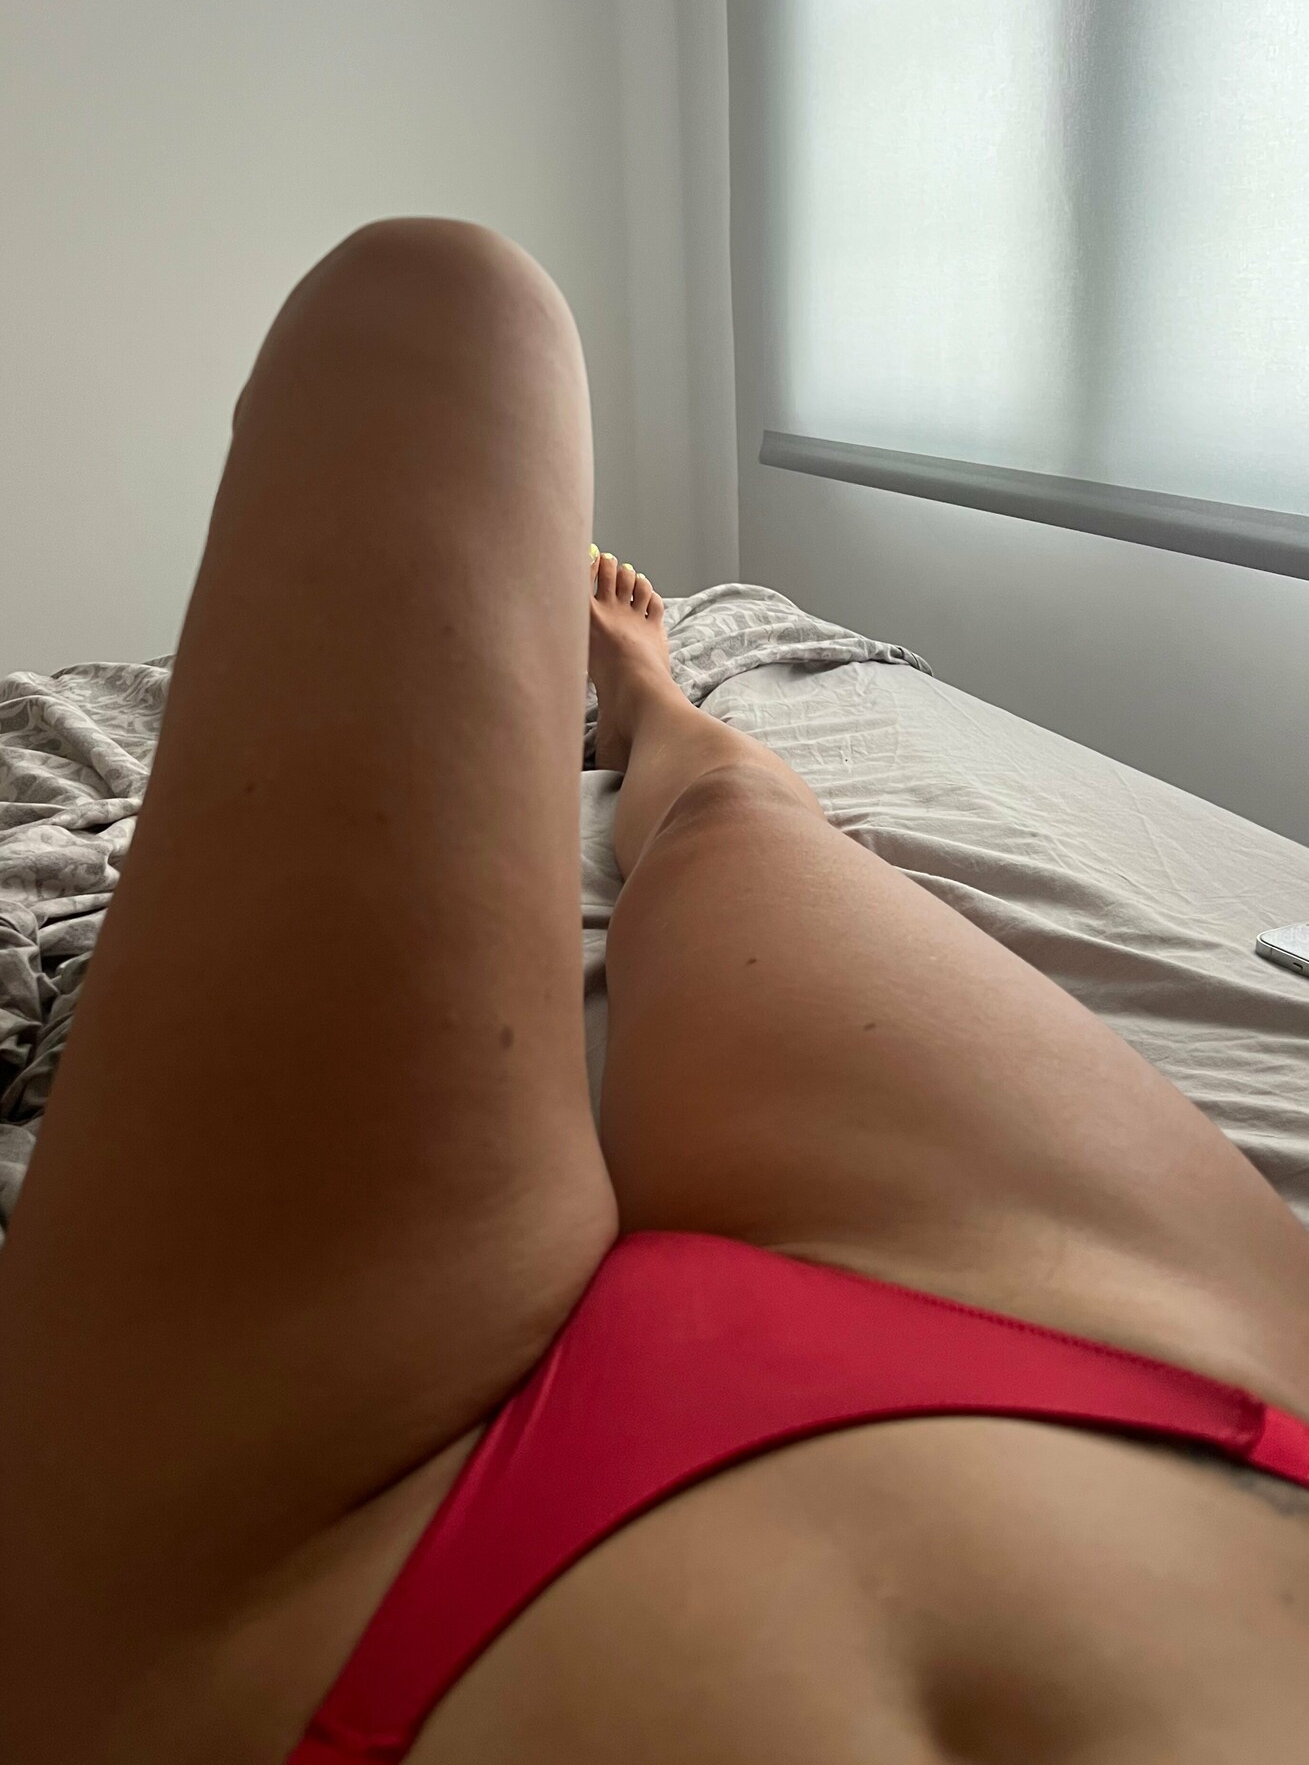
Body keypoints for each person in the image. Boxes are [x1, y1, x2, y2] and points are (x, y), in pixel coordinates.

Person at [0, 216, 1306, 1765]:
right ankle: (645, 698)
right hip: (1162, 1401)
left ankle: (644, 706)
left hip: (306, 1619)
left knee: (426, 314)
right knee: (727, 799)